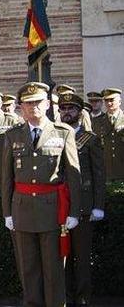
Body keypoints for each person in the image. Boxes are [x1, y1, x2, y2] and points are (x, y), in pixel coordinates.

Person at [1, 82, 81, 307]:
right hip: (22, 210)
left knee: (54, 271)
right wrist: (7, 212)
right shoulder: (12, 135)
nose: (33, 106)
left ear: (47, 104)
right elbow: (7, 178)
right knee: (28, 270)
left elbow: (74, 176)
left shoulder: (63, 133)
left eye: (37, 102)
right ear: (21, 107)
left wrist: (74, 212)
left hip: (53, 212)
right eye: (28, 103)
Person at [58, 93, 106, 307]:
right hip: (60, 204)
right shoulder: (55, 136)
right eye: (63, 108)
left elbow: (99, 175)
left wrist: (98, 206)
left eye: (71, 108)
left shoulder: (90, 139)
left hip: (84, 207)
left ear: (79, 112)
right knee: (62, 256)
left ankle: (83, 298)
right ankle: (65, 297)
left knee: (82, 257)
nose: (66, 112)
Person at [92, 88, 124, 181]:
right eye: (106, 100)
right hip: (105, 172)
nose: (109, 103)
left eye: (112, 100)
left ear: (119, 101)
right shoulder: (97, 122)